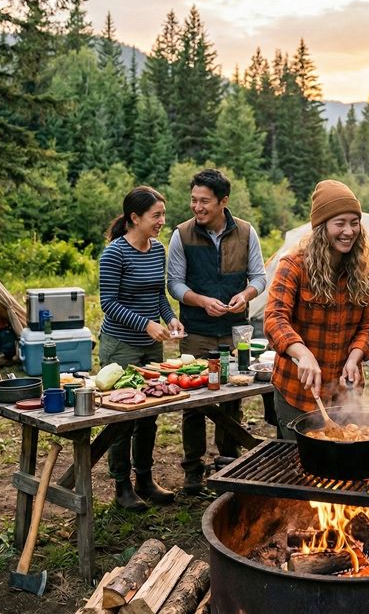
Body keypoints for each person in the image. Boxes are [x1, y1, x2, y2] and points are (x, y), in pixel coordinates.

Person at [167, 168, 268, 495]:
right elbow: (174, 283)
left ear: (223, 201)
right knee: (193, 400)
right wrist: (200, 300)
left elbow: (259, 277)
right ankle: (193, 470)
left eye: (204, 201)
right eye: (194, 200)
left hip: (236, 329)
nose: (197, 207)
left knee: (232, 397)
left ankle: (229, 462)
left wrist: (246, 295)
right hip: (196, 329)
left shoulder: (246, 232)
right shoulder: (181, 234)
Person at [263, 180, 369, 439]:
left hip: (345, 394)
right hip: (296, 392)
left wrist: (354, 357)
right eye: (339, 223)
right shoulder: (293, 266)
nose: (349, 231)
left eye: (354, 222)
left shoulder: (366, 271)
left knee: (345, 467)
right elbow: (274, 319)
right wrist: (302, 353)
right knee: (295, 468)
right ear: (321, 227)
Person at [99, 186, 183, 511]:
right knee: (122, 418)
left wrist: (170, 319)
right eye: (156, 215)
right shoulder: (114, 254)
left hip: (152, 346)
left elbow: (158, 294)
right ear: (134, 218)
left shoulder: (157, 249)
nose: (162, 220)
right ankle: (121, 487)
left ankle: (144, 480)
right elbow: (108, 303)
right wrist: (145, 324)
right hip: (121, 347)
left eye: (163, 214)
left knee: (149, 415)